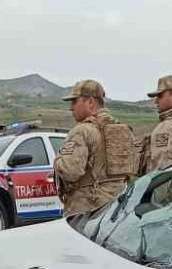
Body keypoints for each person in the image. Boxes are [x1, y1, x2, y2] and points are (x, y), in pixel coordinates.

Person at [53, 79, 137, 215]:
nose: (71, 107)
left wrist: (58, 161)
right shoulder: (123, 130)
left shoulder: (82, 131)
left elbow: (71, 172)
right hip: (116, 209)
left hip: (85, 210)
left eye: (75, 101)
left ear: (91, 102)